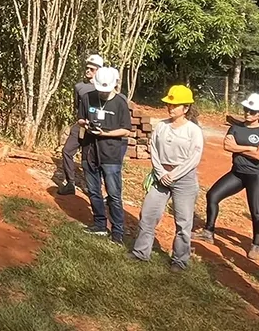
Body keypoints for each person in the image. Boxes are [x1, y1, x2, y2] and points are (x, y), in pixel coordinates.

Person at [130, 85, 204, 271]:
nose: (170, 108)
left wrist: (174, 174)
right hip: (160, 176)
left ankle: (179, 260)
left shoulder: (193, 131)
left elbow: (194, 157)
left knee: (183, 221)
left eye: (175, 105)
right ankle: (141, 252)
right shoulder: (161, 126)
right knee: (148, 214)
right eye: (169, 104)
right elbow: (153, 149)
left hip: (184, 179)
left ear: (186, 108)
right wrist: (161, 172)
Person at [198, 93, 259, 260]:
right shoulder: (235, 127)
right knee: (212, 195)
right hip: (237, 173)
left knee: (256, 211)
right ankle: (208, 232)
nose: (248, 113)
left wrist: (239, 147)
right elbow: (227, 146)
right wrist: (251, 149)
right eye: (246, 109)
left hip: (258, 176)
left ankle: (256, 244)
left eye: (253, 111)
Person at [79, 67, 134, 244]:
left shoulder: (120, 103)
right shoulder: (88, 97)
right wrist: (86, 125)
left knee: (113, 194)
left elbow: (126, 130)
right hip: (90, 151)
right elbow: (80, 118)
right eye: (100, 90)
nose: (102, 93)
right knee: (94, 191)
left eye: (105, 90)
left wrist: (105, 133)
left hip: (110, 154)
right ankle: (99, 224)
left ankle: (117, 231)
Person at [58, 54, 106, 195]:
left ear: (99, 71)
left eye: (92, 69)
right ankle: (70, 183)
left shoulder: (104, 88)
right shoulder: (79, 86)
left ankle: (93, 187)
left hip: (95, 129)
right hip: (80, 125)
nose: (88, 71)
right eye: (87, 68)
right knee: (67, 151)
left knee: (88, 159)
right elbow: (76, 106)